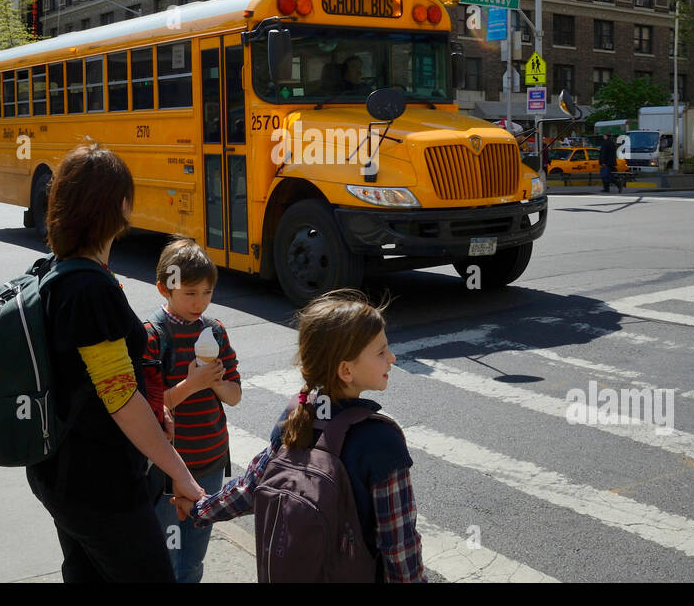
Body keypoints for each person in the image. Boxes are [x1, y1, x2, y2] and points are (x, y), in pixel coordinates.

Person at [26, 145, 204, 583]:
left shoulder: (53, 271)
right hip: (98, 484)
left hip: (59, 471)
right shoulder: (89, 290)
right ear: (121, 207)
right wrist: (180, 474)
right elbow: (119, 396)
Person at [190, 289, 426, 583]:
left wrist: (199, 509)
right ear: (345, 370)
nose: (391, 358)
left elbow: (251, 488)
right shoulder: (381, 440)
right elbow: (400, 548)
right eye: (381, 352)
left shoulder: (296, 414)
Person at [143, 237, 241, 583]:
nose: (199, 302)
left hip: (211, 461)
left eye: (207, 293)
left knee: (194, 556)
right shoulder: (153, 335)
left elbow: (234, 395)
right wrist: (192, 384)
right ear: (164, 289)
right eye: (190, 293)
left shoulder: (215, 331)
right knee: (166, 554)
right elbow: (145, 407)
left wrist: (213, 381)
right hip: (168, 468)